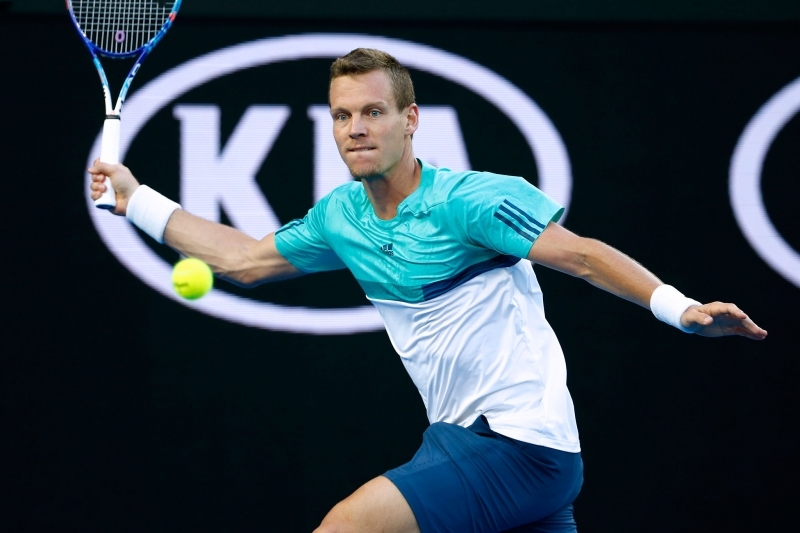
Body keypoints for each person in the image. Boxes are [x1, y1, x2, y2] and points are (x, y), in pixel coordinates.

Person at [89, 48, 767, 533]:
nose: (356, 128)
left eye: (373, 112)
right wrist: (137, 199)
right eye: (342, 116)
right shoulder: (341, 216)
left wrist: (679, 308)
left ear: (410, 119)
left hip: (518, 444)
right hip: (462, 441)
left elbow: (584, 257)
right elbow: (243, 260)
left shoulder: (471, 202)